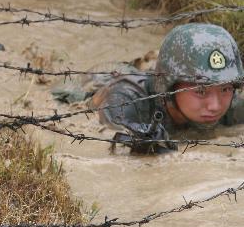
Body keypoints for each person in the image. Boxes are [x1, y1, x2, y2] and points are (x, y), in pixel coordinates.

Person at [90, 23, 244, 153]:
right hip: (100, 79)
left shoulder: (232, 107)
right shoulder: (125, 98)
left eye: (225, 89)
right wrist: (142, 143)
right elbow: (112, 140)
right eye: (201, 91)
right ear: (170, 87)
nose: (215, 106)